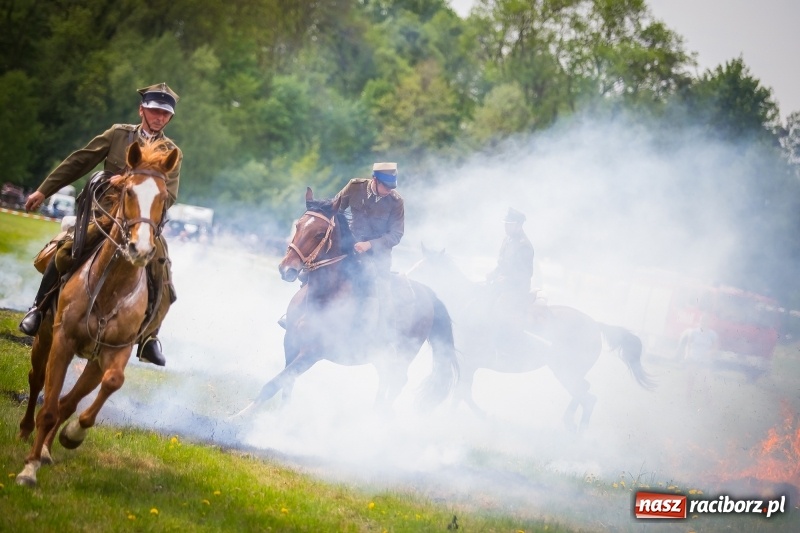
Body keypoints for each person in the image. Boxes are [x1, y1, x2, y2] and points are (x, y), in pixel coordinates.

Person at [18, 83, 183, 366]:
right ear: (142, 110)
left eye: (165, 114)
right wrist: (43, 190)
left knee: (163, 270)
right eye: (154, 111)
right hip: (104, 215)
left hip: (143, 221)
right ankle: (39, 308)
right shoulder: (119, 134)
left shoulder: (171, 151)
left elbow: (171, 195)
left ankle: (149, 338)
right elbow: (80, 160)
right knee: (66, 250)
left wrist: (148, 203)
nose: (159, 118)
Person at [333, 162, 404, 344]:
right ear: (375, 180)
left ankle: (386, 337)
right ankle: (297, 313)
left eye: (391, 187)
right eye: (386, 186)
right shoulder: (355, 187)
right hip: (348, 247)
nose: (389, 190)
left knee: (383, 294)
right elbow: (335, 209)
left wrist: (370, 245)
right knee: (315, 269)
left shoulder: (396, 202)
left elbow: (396, 235)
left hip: (378, 257)